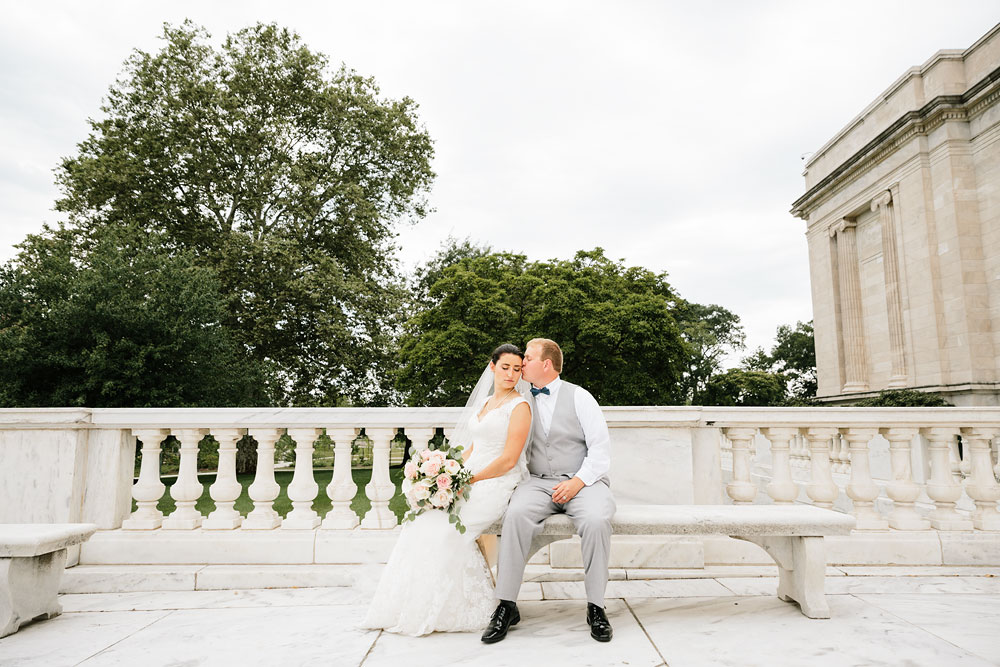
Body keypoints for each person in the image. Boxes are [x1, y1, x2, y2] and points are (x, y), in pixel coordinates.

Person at [361, 343, 532, 636]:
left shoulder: (520, 407)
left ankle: (453, 607)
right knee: (421, 522)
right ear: (492, 367)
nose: (511, 374)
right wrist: (444, 468)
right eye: (505, 367)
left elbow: (508, 459)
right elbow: (474, 448)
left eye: (517, 369)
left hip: (495, 481)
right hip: (468, 475)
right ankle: (406, 602)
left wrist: (470, 480)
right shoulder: (483, 404)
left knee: (445, 530)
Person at [484, 338, 616, 644]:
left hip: (583, 481)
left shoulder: (580, 397)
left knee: (597, 521)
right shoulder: (518, 399)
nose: (521, 363)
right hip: (538, 481)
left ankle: (596, 606)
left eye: (527, 358)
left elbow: (601, 450)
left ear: (546, 364)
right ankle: (506, 605)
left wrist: (577, 482)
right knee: (514, 515)